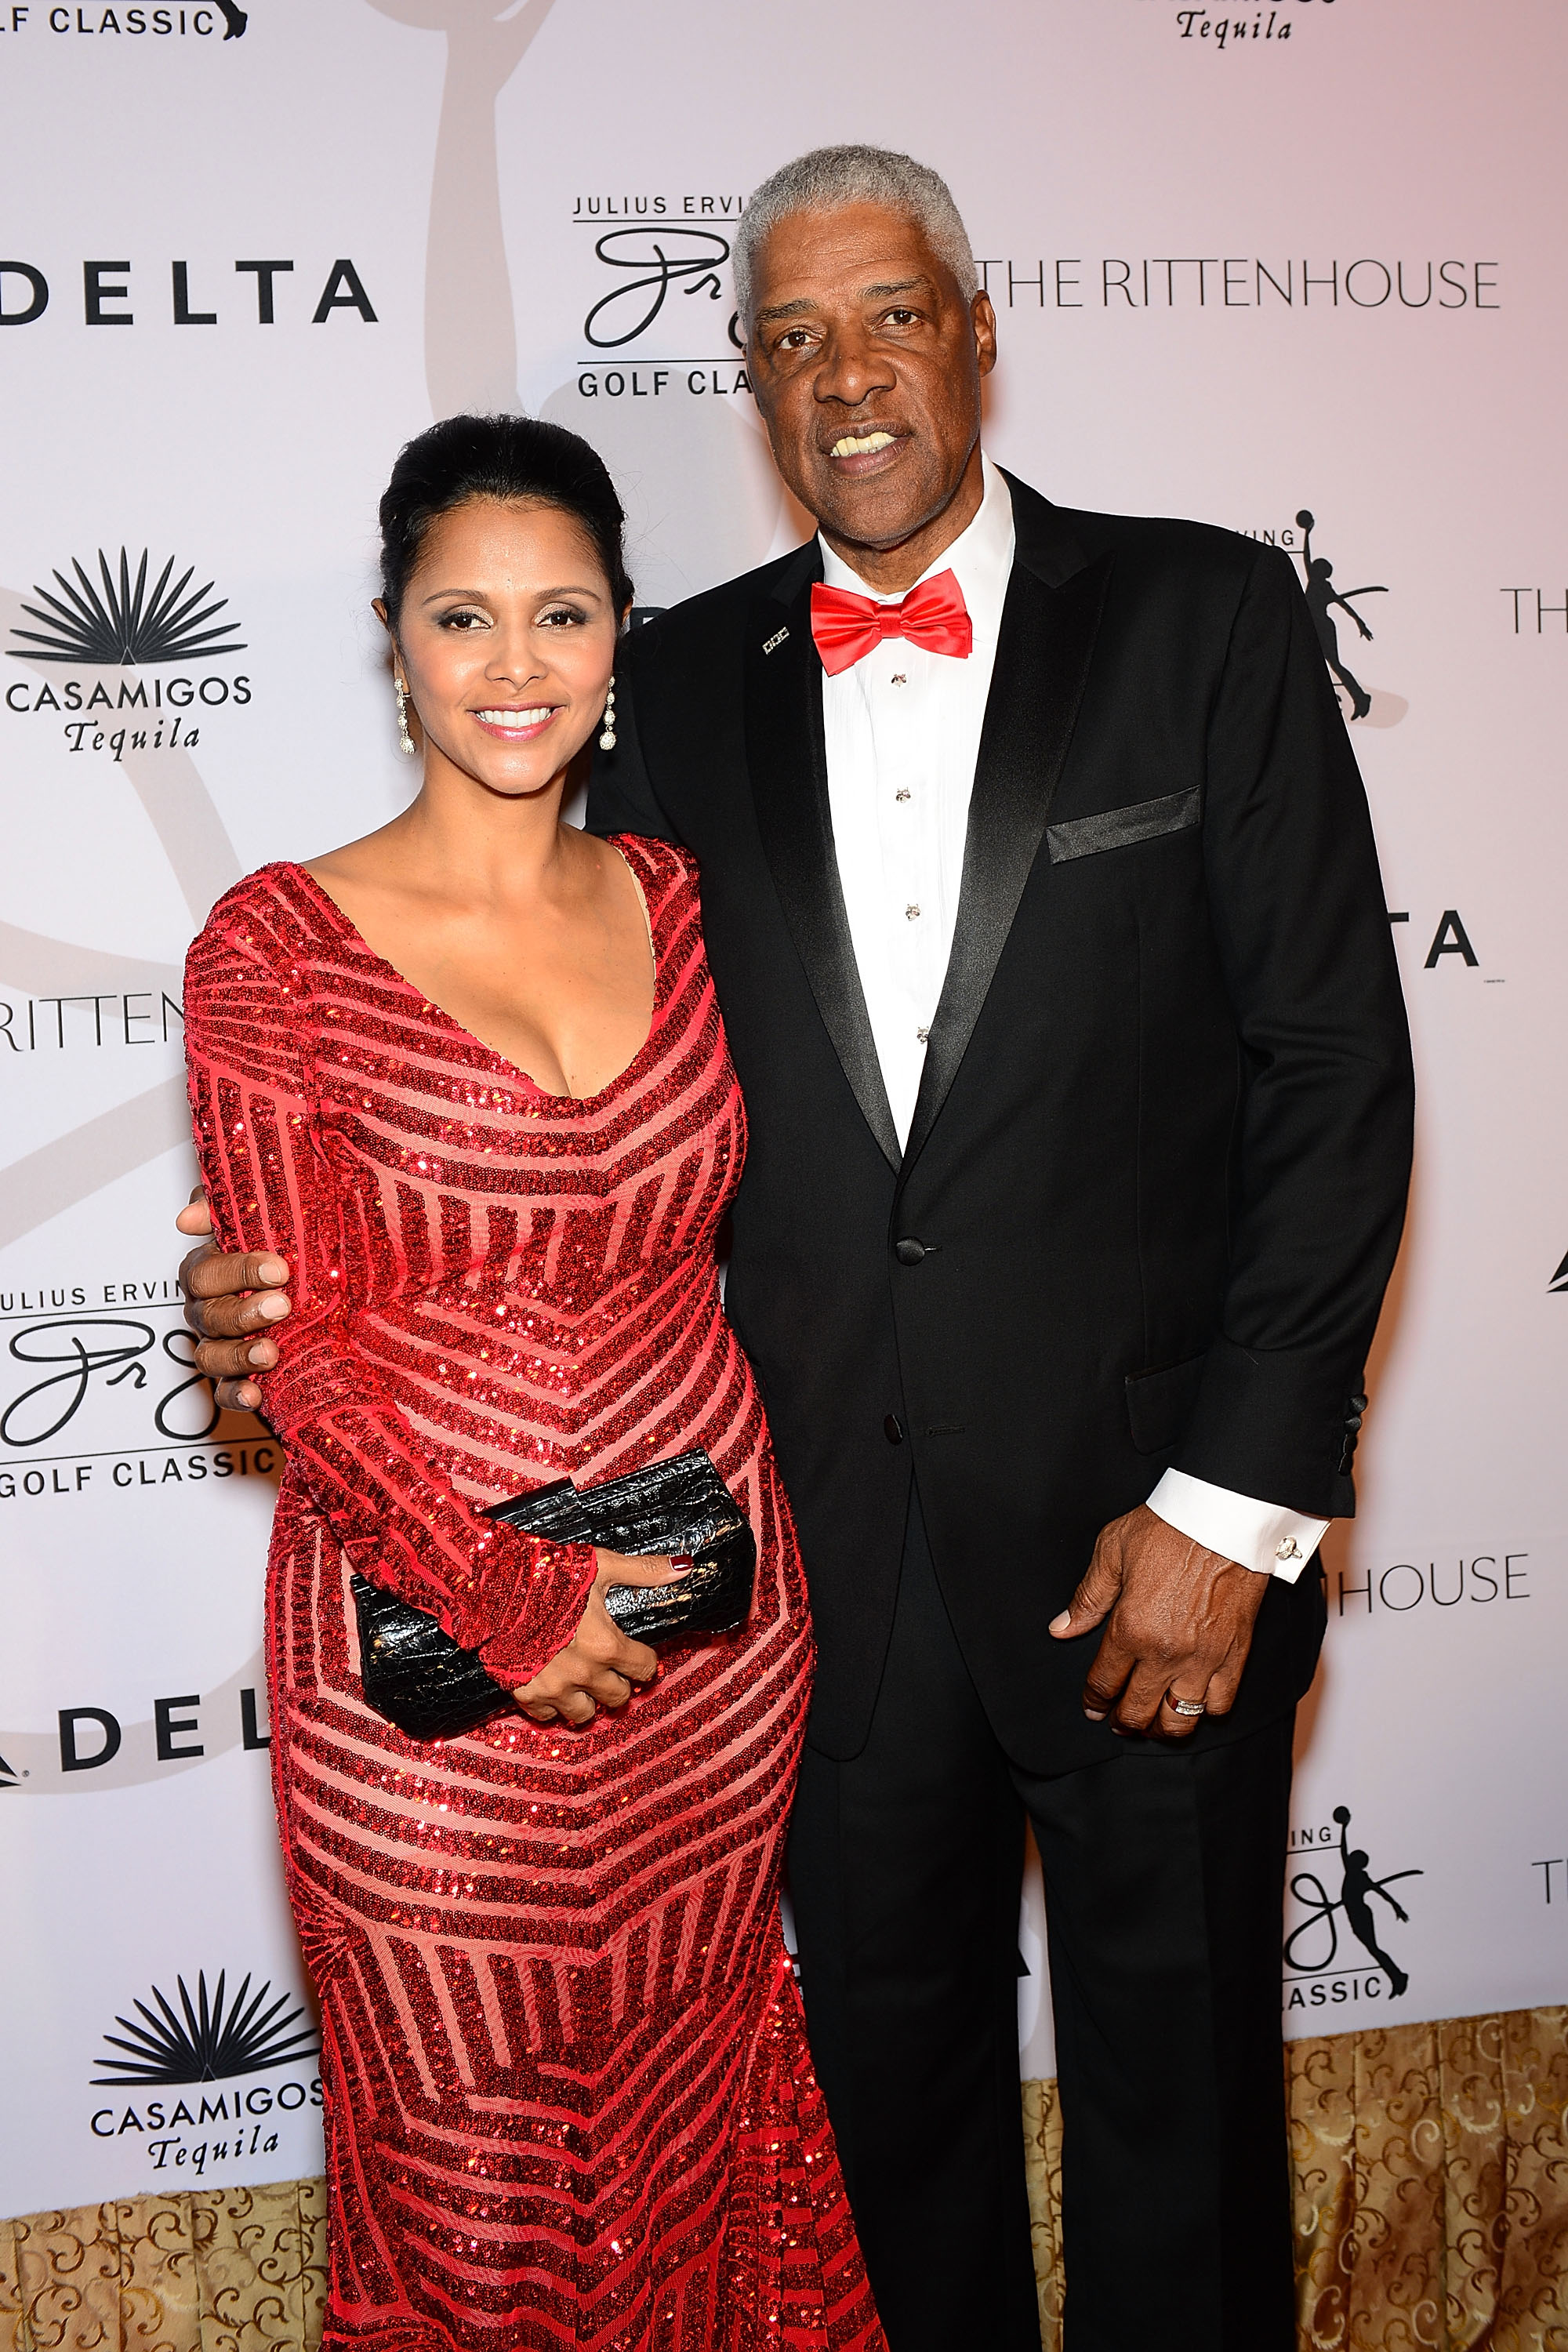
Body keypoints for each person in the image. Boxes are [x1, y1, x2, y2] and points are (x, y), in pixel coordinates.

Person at [180, 149, 1415, 2350]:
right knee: (876, 2141)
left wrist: (1235, 1510)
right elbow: (499, 1092)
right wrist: (261, 1305)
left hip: (1157, 1548)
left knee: (1184, 2132)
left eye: (890, 318)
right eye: (790, 338)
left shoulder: (1209, 620)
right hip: (797, 1581)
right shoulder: (677, 685)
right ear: (748, 378)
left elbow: (1336, 1077)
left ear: (974, 326)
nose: (847, 379)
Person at [180, 413, 884, 2352]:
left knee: (691, 2113)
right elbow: (289, 1340)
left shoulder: (679, 900)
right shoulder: (272, 947)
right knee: (470, 2187)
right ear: (393, 639)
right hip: (423, 1666)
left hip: (704, 1642)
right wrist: (504, 1598)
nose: (512, 664)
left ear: (617, 637)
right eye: (463, 616)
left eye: (559, 614)